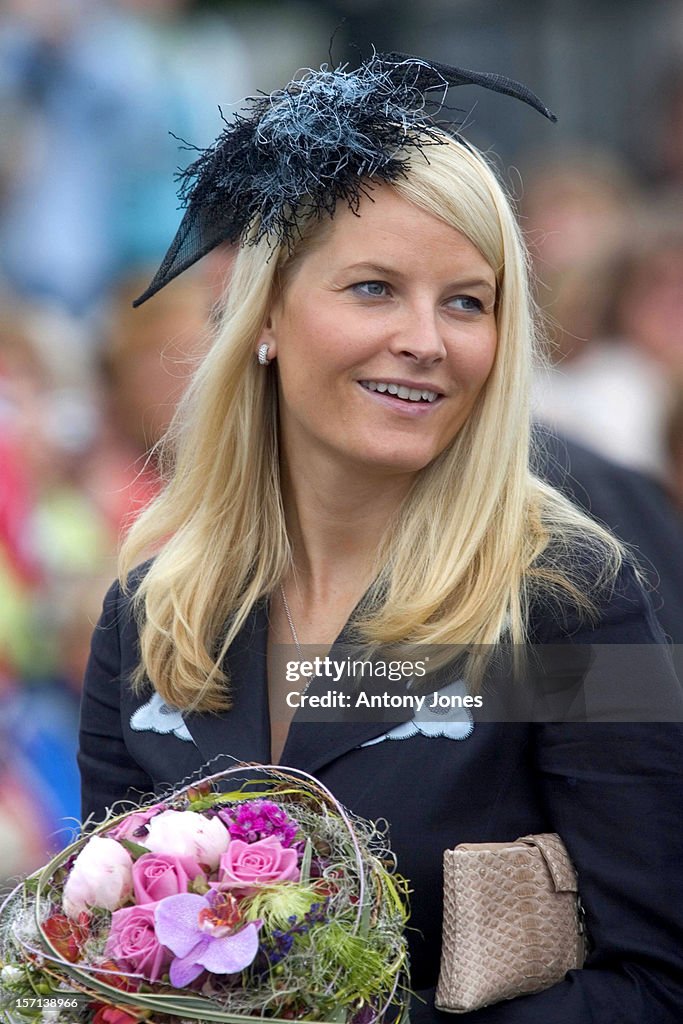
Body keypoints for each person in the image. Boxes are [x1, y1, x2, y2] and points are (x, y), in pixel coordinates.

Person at [78, 54, 683, 1023]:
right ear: (266, 314)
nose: (425, 339)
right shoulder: (153, 616)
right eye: (372, 288)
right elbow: (102, 958)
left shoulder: (566, 601)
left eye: (464, 301)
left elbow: (659, 981)